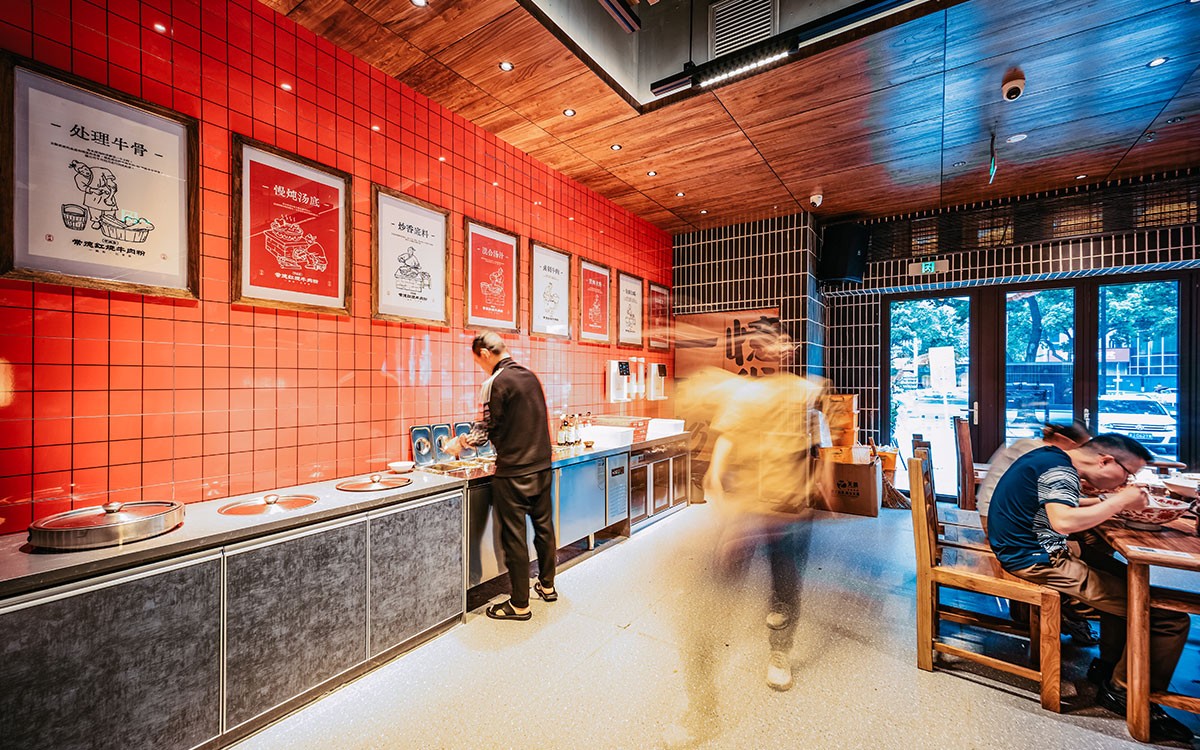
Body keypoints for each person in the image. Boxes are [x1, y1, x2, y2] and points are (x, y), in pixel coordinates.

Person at [986, 434, 1193, 743]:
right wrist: (1120, 500)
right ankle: (1125, 692)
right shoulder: (1060, 469)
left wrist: (1107, 502)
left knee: (1128, 583)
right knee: (1166, 616)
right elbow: (1063, 521)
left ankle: (1108, 668)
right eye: (1128, 473)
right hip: (1036, 557)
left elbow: (1059, 503)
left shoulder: (1052, 458)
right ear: (1105, 461)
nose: (1127, 480)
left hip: (1033, 547)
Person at [703, 370, 831, 691]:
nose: (775, 348)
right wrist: (715, 473)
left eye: (781, 345)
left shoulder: (804, 393)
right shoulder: (749, 395)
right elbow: (728, 435)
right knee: (729, 569)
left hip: (791, 505)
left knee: (785, 580)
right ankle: (714, 638)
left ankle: (779, 652)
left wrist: (824, 482)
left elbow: (823, 445)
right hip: (750, 501)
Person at [445, 332, 556, 621]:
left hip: (514, 473)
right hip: (542, 467)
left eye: (478, 361)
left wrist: (459, 442)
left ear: (484, 353)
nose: (481, 367)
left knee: (514, 538)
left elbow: (485, 430)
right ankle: (547, 586)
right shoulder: (530, 376)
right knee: (544, 528)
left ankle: (519, 604)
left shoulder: (495, 382)